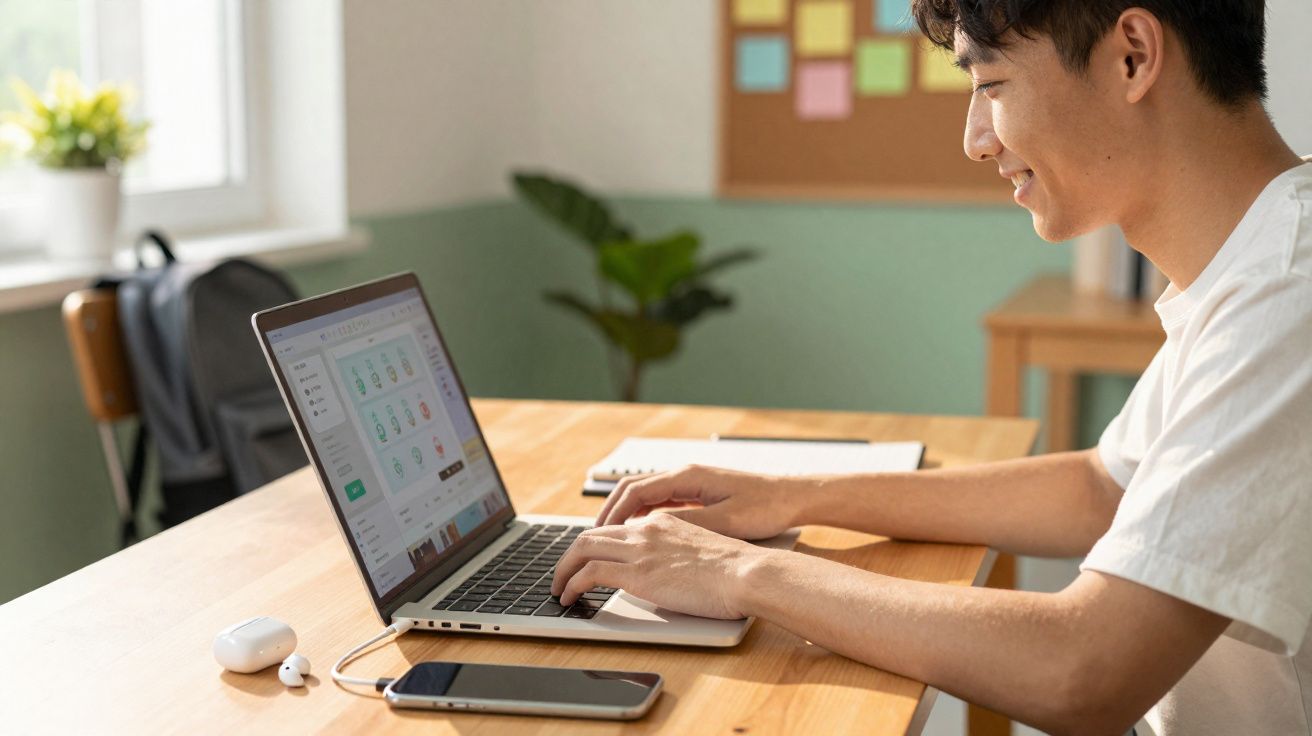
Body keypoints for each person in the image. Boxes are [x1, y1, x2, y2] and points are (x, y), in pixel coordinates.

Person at [552, 1, 1312, 733]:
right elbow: (1101, 488)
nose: (976, 140)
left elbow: (1085, 671)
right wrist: (788, 498)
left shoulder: (1289, 292)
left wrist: (738, 574)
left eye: (989, 86)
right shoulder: (1257, 258)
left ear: (1132, 56)